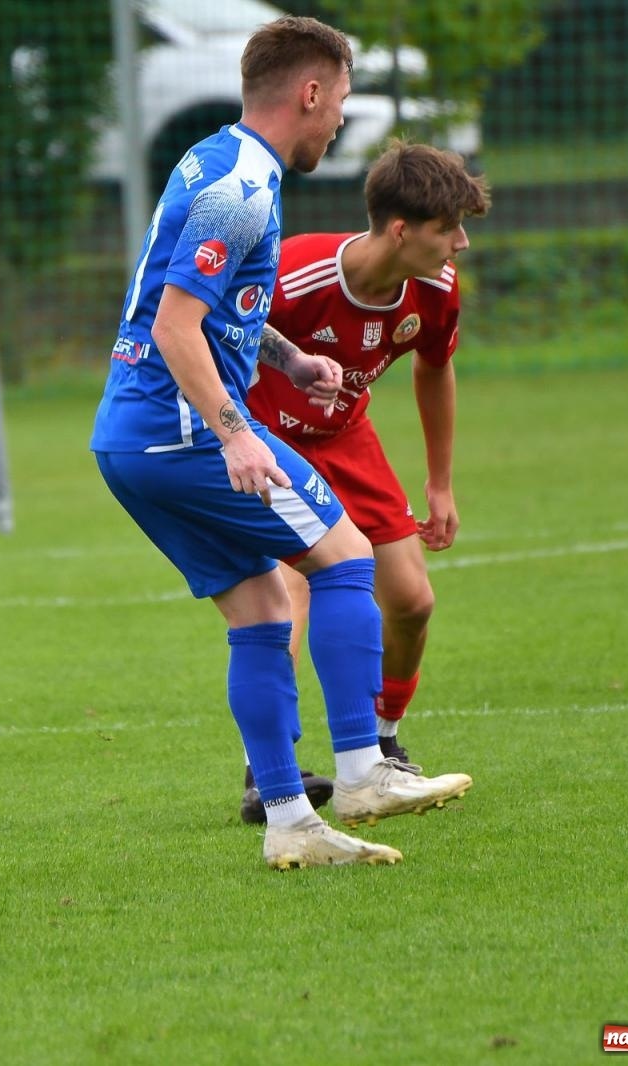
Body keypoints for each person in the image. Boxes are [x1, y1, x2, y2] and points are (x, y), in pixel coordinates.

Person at [90, 16, 472, 869]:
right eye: (338, 98)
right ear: (308, 93)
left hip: (127, 437)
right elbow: (177, 322)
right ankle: (366, 767)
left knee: (264, 610)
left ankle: (293, 821)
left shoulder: (212, 159)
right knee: (344, 560)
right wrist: (234, 433)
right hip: (180, 429)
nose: (339, 117)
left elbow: (201, 301)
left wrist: (290, 357)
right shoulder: (246, 188)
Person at [236, 142, 491, 824]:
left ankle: (382, 745)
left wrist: (440, 484)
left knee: (411, 601)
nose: (461, 243)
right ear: (402, 230)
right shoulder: (296, 271)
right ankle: (269, 774)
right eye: (449, 228)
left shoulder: (434, 289)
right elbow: (226, 323)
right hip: (273, 439)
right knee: (292, 589)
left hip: (348, 437)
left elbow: (434, 368)